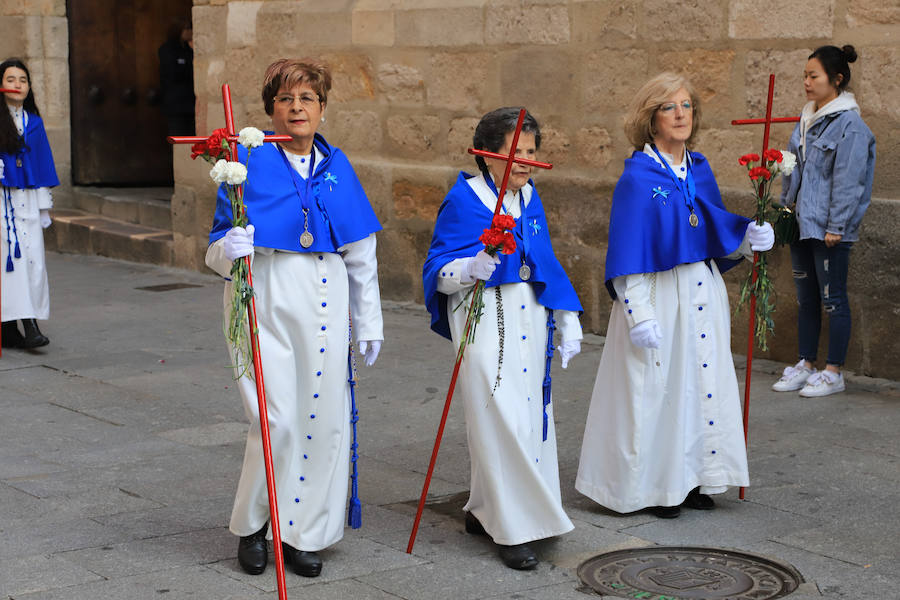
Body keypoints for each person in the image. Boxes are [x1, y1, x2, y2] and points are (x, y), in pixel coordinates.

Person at [205, 58, 384, 578]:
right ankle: (254, 526)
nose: (296, 107)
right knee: (274, 419)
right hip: (264, 293)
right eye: (285, 99)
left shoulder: (338, 164)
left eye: (307, 98)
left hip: (325, 300)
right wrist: (230, 247)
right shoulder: (247, 160)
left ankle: (303, 531)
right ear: (271, 110)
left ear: (322, 108)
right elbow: (216, 247)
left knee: (322, 422)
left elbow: (360, 251)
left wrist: (369, 321)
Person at [575, 73, 775, 519]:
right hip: (658, 296)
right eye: (669, 107)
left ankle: (695, 479)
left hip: (702, 292)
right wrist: (638, 313)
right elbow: (631, 251)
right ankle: (655, 486)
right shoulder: (637, 178)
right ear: (650, 119)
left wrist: (748, 238)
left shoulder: (698, 168)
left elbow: (711, 227)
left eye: (686, 105)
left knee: (700, 384)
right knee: (655, 390)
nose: (680, 114)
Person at [423, 107, 583, 569]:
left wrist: (567, 317)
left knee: (529, 415)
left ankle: (486, 508)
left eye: (532, 152)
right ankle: (513, 529)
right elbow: (438, 267)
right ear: (488, 155)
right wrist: (468, 269)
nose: (528, 162)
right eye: (517, 153)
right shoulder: (465, 199)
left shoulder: (530, 197)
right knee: (499, 415)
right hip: (482, 320)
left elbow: (546, 262)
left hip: (529, 320)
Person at [771, 45, 875, 398]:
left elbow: (849, 180)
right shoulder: (807, 119)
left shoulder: (850, 125)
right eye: (805, 75)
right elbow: (793, 168)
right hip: (802, 223)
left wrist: (837, 226)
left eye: (813, 76)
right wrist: (786, 210)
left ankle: (834, 371)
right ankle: (806, 363)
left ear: (837, 79)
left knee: (834, 300)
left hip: (829, 230)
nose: (806, 82)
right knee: (806, 299)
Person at [1, 58, 58, 349]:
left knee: (33, 260)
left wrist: (44, 205)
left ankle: (27, 320)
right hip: (3, 201)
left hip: (28, 199)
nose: (17, 85)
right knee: (9, 263)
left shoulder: (33, 123)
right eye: (11, 79)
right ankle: (19, 325)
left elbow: (42, 162)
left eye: (22, 80)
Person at [158, 18, 195, 136]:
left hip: (191, 104)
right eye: (187, 28)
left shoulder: (189, 49)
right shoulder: (168, 49)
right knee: (178, 138)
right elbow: (173, 73)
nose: (191, 31)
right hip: (176, 105)